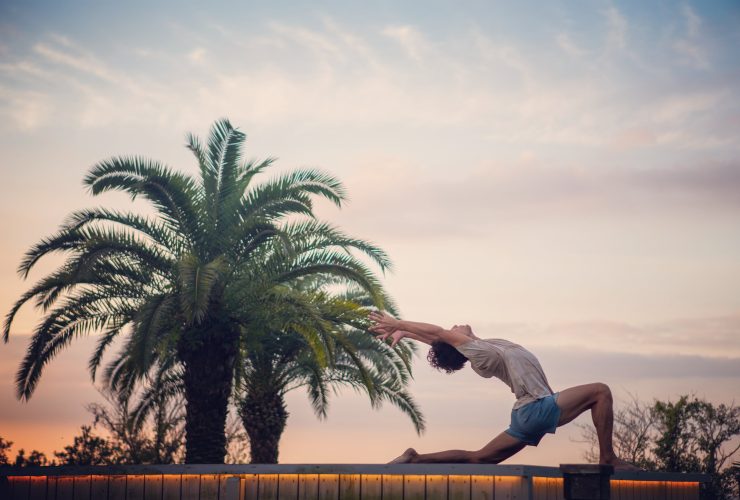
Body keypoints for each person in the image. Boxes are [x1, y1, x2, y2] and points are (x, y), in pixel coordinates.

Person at [368, 311, 638, 469]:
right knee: (600, 392)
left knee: (480, 458)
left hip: (526, 414)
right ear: (457, 342)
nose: (455, 326)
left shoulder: (483, 347)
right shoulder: (477, 351)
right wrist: (399, 324)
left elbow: (438, 339)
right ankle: (607, 458)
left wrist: (407, 334)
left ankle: (415, 459)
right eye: (453, 331)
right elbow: (438, 333)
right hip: (536, 407)